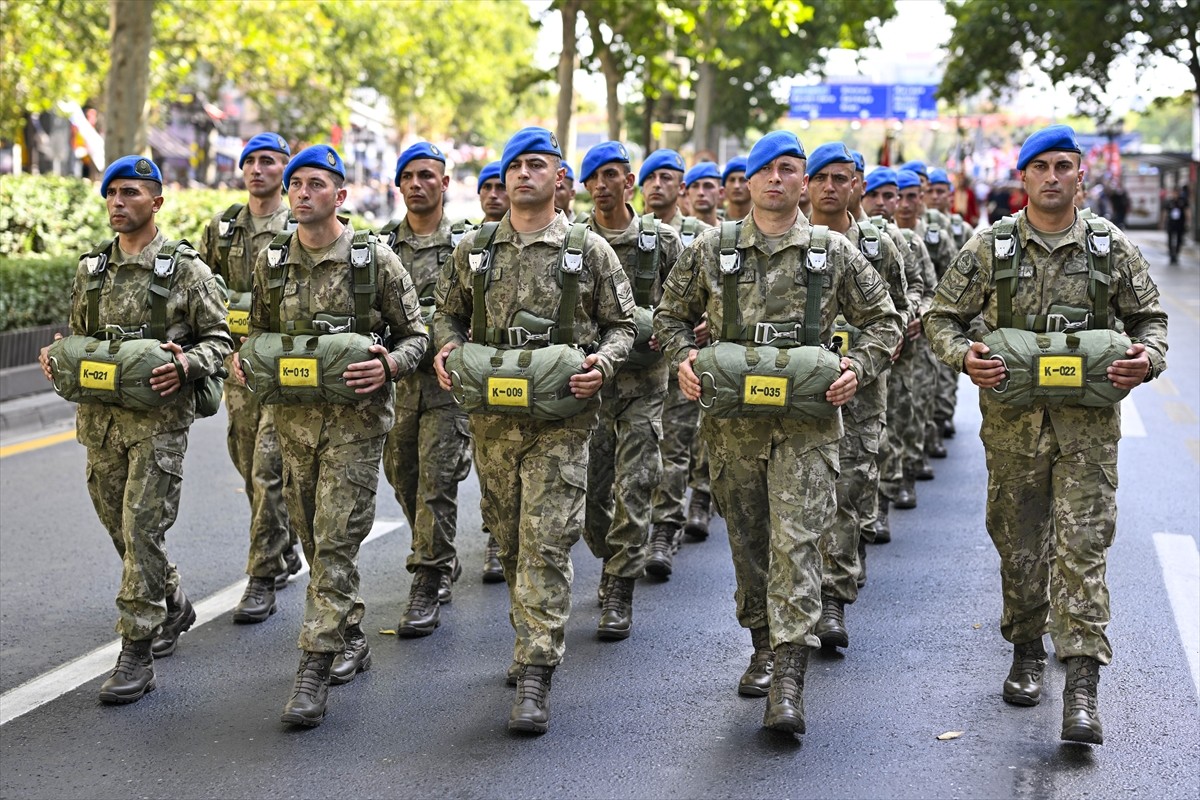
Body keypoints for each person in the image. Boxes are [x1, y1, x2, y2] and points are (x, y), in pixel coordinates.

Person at [924, 124, 1168, 745]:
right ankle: (1027, 647)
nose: (1054, 177)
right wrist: (965, 357)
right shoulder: (991, 249)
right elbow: (941, 318)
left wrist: (1147, 359)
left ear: (1081, 175)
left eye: (1065, 166)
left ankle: (1082, 684)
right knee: (1019, 543)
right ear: (1024, 178)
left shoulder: (1110, 247)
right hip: (1013, 433)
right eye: (1042, 167)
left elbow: (1151, 320)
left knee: (1082, 548)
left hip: (1089, 433)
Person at [654, 131, 902, 735]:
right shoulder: (713, 249)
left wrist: (856, 368)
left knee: (797, 543)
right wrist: (684, 359)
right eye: (765, 169)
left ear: (803, 182)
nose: (775, 179)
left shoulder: (831, 253)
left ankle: (788, 677)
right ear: (750, 180)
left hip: (808, 428)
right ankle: (762, 643)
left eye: (789, 169)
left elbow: (885, 321)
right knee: (749, 541)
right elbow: (666, 315)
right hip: (732, 428)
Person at [432, 127, 636, 735]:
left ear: (558, 178)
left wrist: (600, 363)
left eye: (537, 165)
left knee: (546, 544)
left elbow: (622, 324)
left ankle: (535, 671)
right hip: (492, 422)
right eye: (515, 165)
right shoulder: (475, 248)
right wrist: (447, 349)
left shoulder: (587, 249)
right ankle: (530, 638)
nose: (524, 174)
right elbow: (445, 313)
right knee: (511, 540)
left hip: (561, 424)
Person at [234, 144, 427, 727]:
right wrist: (245, 360)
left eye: (315, 185)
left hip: (355, 429)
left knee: (338, 541)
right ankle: (350, 637)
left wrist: (388, 366)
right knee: (315, 541)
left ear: (339, 196)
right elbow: (256, 333)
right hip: (293, 428)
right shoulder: (271, 262)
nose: (301, 193)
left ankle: (313, 669)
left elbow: (416, 335)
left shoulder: (374, 260)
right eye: (296, 185)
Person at [38, 155, 232, 704]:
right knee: (121, 530)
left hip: (158, 425)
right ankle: (173, 601)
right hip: (100, 425)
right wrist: (60, 359)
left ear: (156, 202)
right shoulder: (91, 270)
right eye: (111, 194)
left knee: (143, 529)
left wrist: (187, 364)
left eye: (129, 193)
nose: (117, 203)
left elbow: (221, 341)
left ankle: (136, 652)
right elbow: (79, 337)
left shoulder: (185, 270)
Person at [805, 143, 909, 647]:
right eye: (820, 177)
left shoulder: (877, 247)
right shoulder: (787, 242)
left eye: (839, 178)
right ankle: (800, 593)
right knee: (801, 501)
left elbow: (900, 314)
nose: (829, 187)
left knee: (847, 491)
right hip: (794, 398)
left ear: (856, 186)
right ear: (806, 184)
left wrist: (868, 355)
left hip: (861, 395)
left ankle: (831, 600)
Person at [198, 132, 302, 625]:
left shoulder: (303, 225)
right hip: (237, 373)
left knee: (267, 470)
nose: (257, 170)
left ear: (284, 169)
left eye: (268, 161)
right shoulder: (221, 230)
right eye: (250, 162)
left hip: (284, 372)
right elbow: (202, 293)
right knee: (249, 467)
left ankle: (261, 577)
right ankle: (286, 542)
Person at [578, 141, 684, 617]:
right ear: (583, 187)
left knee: (637, 482)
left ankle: (620, 581)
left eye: (612, 175)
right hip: (589, 388)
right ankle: (608, 554)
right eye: (594, 178)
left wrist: (688, 328)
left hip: (645, 384)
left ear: (629, 182)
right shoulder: (573, 243)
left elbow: (691, 301)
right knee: (591, 494)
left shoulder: (661, 242)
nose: (603, 185)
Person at [378, 142, 476, 637]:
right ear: (399, 185)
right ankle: (436, 552)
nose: (417, 184)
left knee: (438, 481)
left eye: (427, 176)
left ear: (444, 183)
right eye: (408, 177)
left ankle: (428, 574)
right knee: (404, 477)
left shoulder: (468, 246)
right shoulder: (377, 248)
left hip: (444, 387)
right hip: (395, 388)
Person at [683, 161, 723, 227]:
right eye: (695, 186)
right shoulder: (674, 232)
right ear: (687, 193)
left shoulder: (730, 233)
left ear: (720, 192)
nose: (701, 192)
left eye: (708, 186)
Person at [1164, 186, 1188, 265]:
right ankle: (1171, 254)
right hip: (1171, 223)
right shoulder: (1169, 202)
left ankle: (1176, 253)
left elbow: (1186, 211)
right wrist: (1163, 222)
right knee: (1170, 239)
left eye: (1176, 193)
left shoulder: (1183, 201)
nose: (1175, 195)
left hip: (1180, 223)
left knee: (1179, 239)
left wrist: (1188, 221)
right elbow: (1165, 212)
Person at [722, 156, 750, 221]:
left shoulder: (763, 223)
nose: (736, 186)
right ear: (724, 187)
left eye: (743, 180)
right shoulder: (715, 223)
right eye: (732, 180)